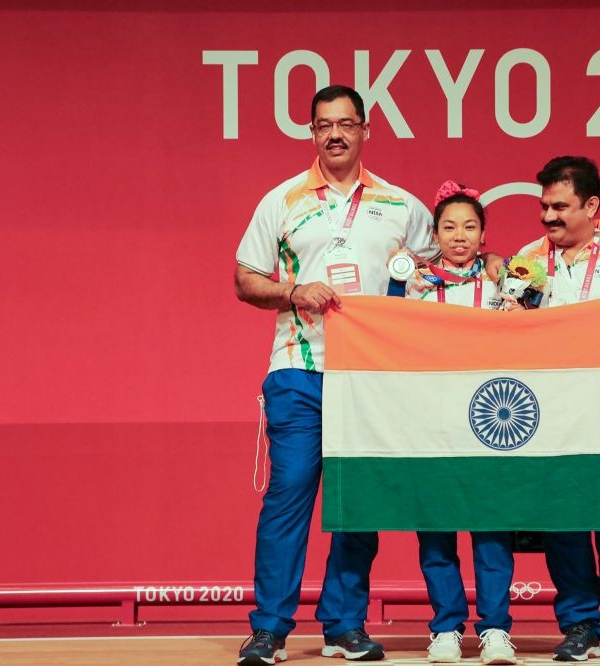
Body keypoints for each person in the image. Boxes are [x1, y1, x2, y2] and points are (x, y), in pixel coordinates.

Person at [233, 84, 437, 666]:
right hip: (300, 369)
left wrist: (491, 262)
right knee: (289, 495)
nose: (336, 135)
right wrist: (294, 291)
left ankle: (344, 625)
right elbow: (245, 278)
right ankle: (269, 629)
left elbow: (445, 265)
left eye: (346, 124)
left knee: (357, 506)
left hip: (370, 377)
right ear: (312, 132)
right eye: (324, 125)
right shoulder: (282, 200)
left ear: (366, 130)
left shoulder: (401, 205)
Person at [517, 156, 600, 663]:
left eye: (560, 206)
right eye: (544, 206)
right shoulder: (526, 261)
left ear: (592, 205)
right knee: (564, 525)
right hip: (551, 414)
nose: (548, 216)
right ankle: (579, 625)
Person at [402, 181, 518, 664]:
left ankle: (495, 629)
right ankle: (446, 627)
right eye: (448, 227)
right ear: (435, 234)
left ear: (483, 234)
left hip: (490, 423)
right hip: (432, 423)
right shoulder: (413, 285)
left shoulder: (504, 281)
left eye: (470, 226)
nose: (459, 236)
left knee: (492, 530)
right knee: (436, 529)